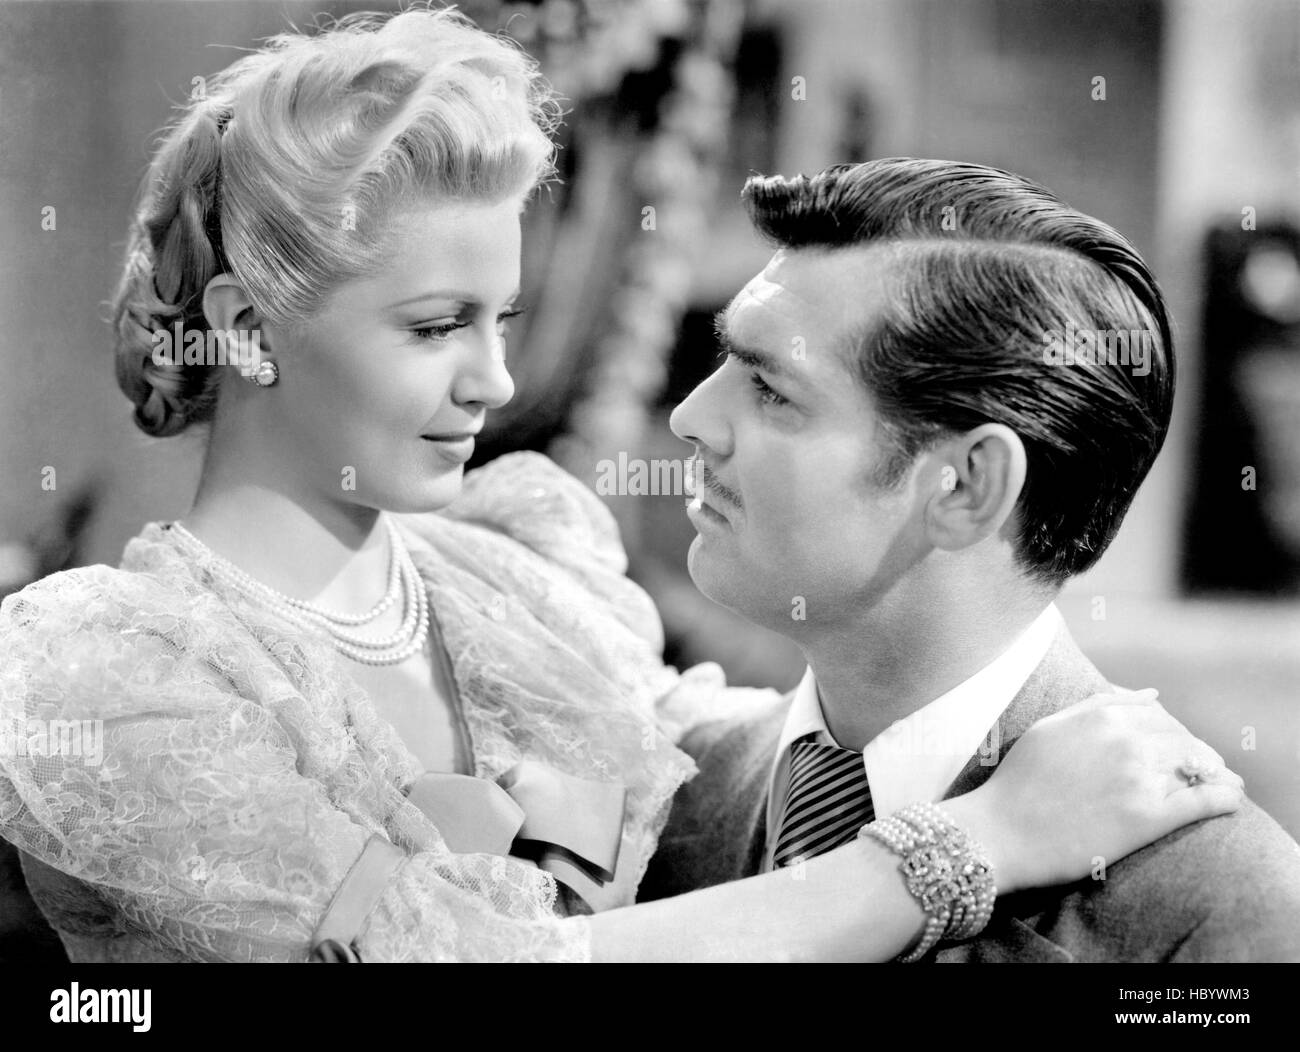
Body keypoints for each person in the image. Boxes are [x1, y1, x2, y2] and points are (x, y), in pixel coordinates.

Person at [0, 7, 1242, 964]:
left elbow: (721, 747)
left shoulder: (520, 568)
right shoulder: (99, 672)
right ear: (247, 327)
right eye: (436, 326)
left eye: (504, 318)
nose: (494, 378)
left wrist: (996, 714)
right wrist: (974, 841)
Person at [640, 157, 1300, 962]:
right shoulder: (669, 787)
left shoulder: (1222, 908)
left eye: (773, 391)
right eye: (723, 364)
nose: (689, 416)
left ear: (967, 485)